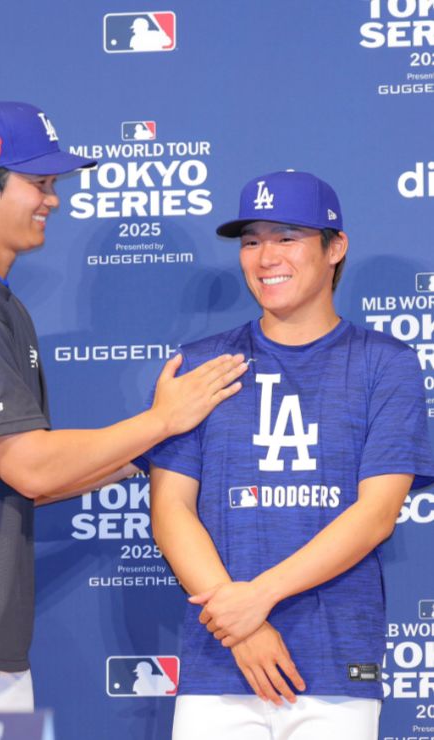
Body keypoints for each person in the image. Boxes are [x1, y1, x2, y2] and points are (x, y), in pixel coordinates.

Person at [0, 100, 247, 740]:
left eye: (54, 185)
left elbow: (43, 479)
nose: (53, 200)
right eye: (39, 183)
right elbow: (31, 468)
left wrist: (152, 453)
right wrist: (163, 421)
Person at [143, 170, 434, 740]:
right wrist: (244, 627)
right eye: (251, 240)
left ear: (335, 248)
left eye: (286, 236)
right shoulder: (204, 364)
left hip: (335, 669)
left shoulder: (386, 363)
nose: (264, 256)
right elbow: (170, 508)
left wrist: (261, 597)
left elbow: (375, 515)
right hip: (219, 663)